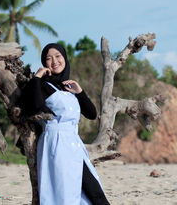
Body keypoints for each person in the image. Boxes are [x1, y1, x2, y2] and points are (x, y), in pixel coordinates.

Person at [20, 43, 110, 205]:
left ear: (65, 58)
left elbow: (91, 113)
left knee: (93, 192)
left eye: (58, 56)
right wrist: (37, 77)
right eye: (48, 58)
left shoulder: (67, 87)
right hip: (56, 145)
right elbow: (35, 105)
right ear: (43, 63)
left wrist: (80, 92)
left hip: (74, 145)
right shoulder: (42, 86)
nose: (54, 61)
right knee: (66, 194)